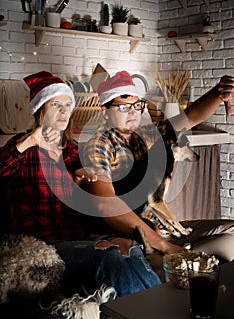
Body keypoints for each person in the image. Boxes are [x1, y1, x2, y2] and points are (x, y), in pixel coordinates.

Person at [0, 71, 162, 309]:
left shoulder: (72, 150)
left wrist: (81, 181)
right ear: (41, 109)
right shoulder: (22, 148)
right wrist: (29, 142)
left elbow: (88, 202)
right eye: (57, 105)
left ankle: (159, 306)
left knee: (131, 248)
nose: (65, 112)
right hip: (44, 244)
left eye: (68, 105)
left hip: (76, 236)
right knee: (111, 258)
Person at [82, 70, 234, 280]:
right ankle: (170, 269)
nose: (133, 112)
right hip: (138, 238)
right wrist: (165, 246)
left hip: (161, 230)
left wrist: (218, 92)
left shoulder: (144, 135)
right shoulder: (100, 145)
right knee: (223, 247)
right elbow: (106, 205)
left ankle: (187, 267)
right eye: (124, 107)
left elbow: (189, 117)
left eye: (137, 105)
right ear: (105, 112)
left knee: (232, 232)